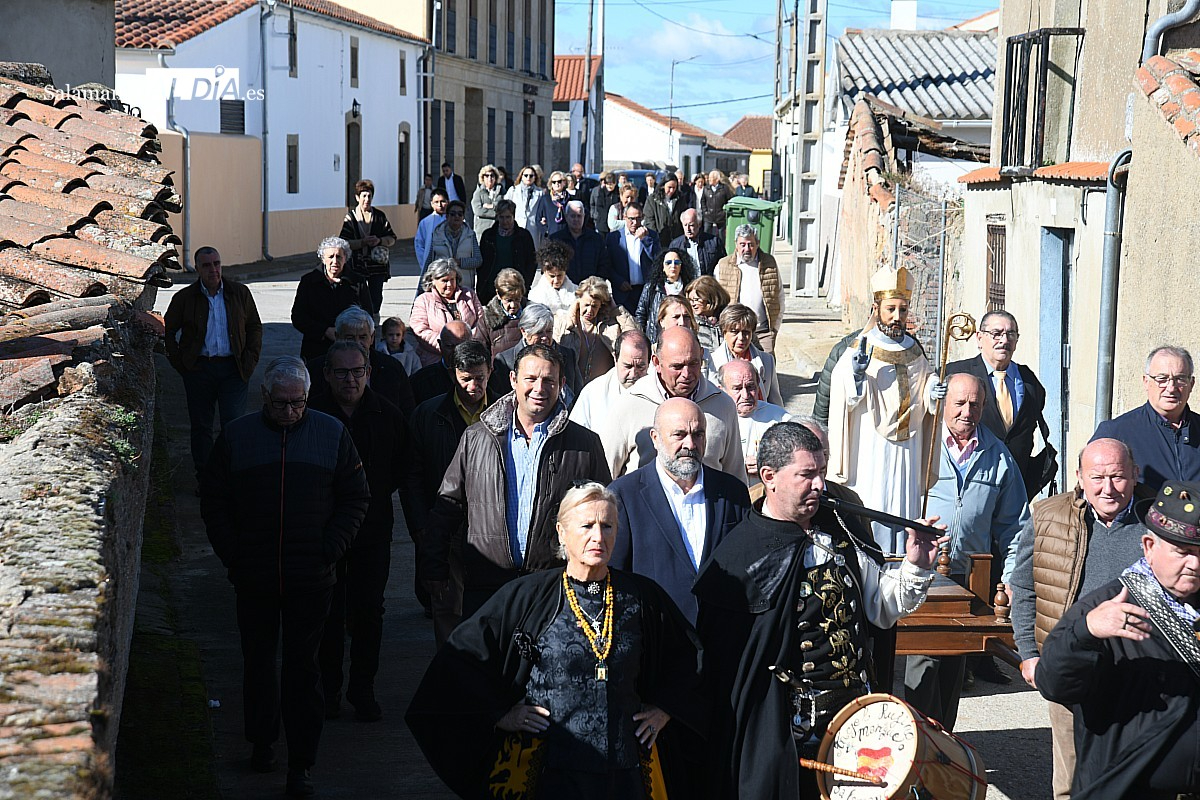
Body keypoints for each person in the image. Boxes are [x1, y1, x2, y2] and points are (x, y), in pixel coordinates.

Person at [406, 482, 704, 799]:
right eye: (587, 525)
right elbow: (461, 660)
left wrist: (665, 709)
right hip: (548, 773)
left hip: (627, 771)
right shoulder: (527, 598)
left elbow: (689, 658)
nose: (598, 537)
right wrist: (500, 713)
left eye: (607, 526)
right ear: (562, 532)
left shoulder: (643, 597)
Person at [694, 422, 944, 800]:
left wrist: (916, 566)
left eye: (822, 474)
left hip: (858, 718)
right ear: (770, 477)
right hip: (789, 734)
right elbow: (731, 672)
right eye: (806, 475)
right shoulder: (740, 556)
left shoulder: (839, 531)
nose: (819, 486)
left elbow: (881, 609)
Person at [200, 356, 370, 798]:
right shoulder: (238, 437)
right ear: (265, 398)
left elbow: (356, 497)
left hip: (311, 579)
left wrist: (330, 548)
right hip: (254, 577)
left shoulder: (331, 434)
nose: (290, 412)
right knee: (257, 664)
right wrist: (234, 556)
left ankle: (301, 764)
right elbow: (214, 500)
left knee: (303, 671)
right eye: (282, 404)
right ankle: (261, 742)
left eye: (298, 404)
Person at [420, 343, 612, 622]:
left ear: (562, 384)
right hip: (487, 585)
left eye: (549, 380)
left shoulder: (584, 443)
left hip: (554, 586)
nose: (539, 388)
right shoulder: (477, 438)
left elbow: (602, 514)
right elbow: (448, 504)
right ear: (513, 380)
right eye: (531, 379)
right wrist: (433, 567)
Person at [1036, 479, 1200, 800]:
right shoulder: (1106, 606)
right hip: (1125, 788)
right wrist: (1085, 633)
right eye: (1182, 552)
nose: (1194, 564)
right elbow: (1053, 684)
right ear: (1149, 547)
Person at [1009, 438, 1152, 800]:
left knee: (1137, 775)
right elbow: (1025, 588)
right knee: (1071, 780)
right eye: (1097, 477)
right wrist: (1029, 654)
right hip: (1071, 661)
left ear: (1134, 475)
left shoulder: (1156, 520)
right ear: (1079, 477)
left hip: (1140, 667)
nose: (1108, 488)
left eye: (1118, 476)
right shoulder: (1047, 517)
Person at [904, 372, 1030, 731]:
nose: (966, 411)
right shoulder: (923, 445)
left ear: (984, 406)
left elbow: (1016, 526)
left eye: (974, 404)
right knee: (923, 661)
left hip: (968, 577)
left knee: (955, 665)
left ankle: (944, 749)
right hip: (924, 573)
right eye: (959, 402)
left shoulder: (998, 456)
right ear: (945, 403)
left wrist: (1008, 580)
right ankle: (916, 743)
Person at [310, 342, 421, 723]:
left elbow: (406, 465)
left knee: (369, 611)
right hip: (324, 529)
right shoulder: (312, 413)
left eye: (357, 372)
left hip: (372, 531)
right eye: (341, 372)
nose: (350, 380)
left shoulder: (386, 415)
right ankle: (329, 689)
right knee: (327, 610)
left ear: (369, 373)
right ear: (326, 375)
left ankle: (362, 688)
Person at [827, 266, 942, 553]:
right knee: (873, 501)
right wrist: (855, 375)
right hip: (871, 446)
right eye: (891, 309)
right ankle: (870, 553)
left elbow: (923, 381)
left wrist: (933, 391)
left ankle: (906, 558)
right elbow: (843, 394)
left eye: (903, 310)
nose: (897, 317)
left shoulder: (913, 348)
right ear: (876, 308)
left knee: (904, 506)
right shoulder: (861, 347)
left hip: (908, 446)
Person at [610, 397, 752, 623]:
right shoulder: (624, 496)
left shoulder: (732, 492)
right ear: (655, 439)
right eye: (679, 435)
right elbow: (615, 577)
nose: (690, 445)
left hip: (722, 637)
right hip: (656, 638)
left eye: (698, 434)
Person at [408, 341, 493, 643]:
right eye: (466, 378)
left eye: (479, 378)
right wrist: (420, 526)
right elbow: (413, 477)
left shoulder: (504, 415)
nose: (473, 386)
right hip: (444, 527)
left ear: (491, 371)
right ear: (452, 374)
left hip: (491, 529)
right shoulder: (428, 416)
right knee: (447, 609)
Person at [164, 246, 263, 480]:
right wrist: (181, 364)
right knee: (201, 428)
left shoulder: (239, 293)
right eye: (207, 265)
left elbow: (254, 327)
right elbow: (167, 332)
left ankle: (231, 476)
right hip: (200, 370)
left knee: (234, 425)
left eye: (217, 264)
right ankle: (206, 477)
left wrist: (249, 361)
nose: (213, 270)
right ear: (197, 268)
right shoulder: (185, 298)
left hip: (233, 369)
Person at [600, 326, 745, 480]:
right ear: (656, 362)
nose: (686, 374)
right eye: (677, 366)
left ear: (702, 356)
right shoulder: (629, 404)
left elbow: (735, 474)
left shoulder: (722, 405)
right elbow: (604, 474)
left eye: (694, 363)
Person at [946, 310, 1051, 500]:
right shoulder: (956, 374)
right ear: (979, 338)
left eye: (1011, 334)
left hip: (1014, 489)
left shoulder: (1029, 381)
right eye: (996, 334)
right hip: (967, 487)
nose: (1004, 340)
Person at [1092, 345, 1200, 491]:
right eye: (1162, 379)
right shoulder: (1117, 432)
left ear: (1191, 384)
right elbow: (1092, 488)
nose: (1171, 387)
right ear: (1146, 382)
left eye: (1180, 379)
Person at [304, 307, 417, 416]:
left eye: (362, 337)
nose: (357, 343)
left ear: (372, 338)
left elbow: (407, 412)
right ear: (337, 337)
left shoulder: (392, 368)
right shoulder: (315, 370)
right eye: (349, 338)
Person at [290, 236, 371, 362]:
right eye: (330, 257)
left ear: (346, 258)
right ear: (323, 259)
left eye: (339, 257)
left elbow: (367, 318)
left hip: (351, 350)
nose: (335, 261)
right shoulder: (309, 282)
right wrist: (324, 331)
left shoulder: (357, 282)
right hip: (316, 349)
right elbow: (298, 317)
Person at [554, 275, 639, 385]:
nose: (589, 310)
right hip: (573, 388)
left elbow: (635, 338)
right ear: (578, 301)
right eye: (586, 305)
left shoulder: (611, 324)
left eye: (594, 306)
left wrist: (615, 309)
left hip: (604, 388)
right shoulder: (565, 323)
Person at [491, 303, 581, 406]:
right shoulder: (505, 360)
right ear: (524, 331)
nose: (545, 338)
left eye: (549, 331)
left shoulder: (568, 355)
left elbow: (578, 394)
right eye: (539, 333)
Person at [719, 359, 792, 486]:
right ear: (722, 390)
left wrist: (770, 463)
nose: (745, 395)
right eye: (737, 388)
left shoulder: (780, 417)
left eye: (750, 387)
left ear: (758, 385)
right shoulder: (713, 419)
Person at [714, 224, 781, 353]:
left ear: (758, 243)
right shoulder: (723, 265)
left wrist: (774, 329)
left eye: (750, 244)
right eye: (742, 244)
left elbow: (779, 297)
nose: (747, 249)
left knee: (766, 369)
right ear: (736, 244)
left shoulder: (769, 263)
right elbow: (716, 300)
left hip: (763, 332)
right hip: (735, 333)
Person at [408, 258, 486, 368]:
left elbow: (482, 323)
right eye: (444, 280)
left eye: (452, 279)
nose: (449, 284)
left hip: (470, 358)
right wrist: (448, 346)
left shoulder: (469, 295)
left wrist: (467, 346)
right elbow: (420, 331)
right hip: (434, 361)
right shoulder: (423, 300)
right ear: (432, 281)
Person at [570, 329, 651, 432]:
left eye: (640, 367)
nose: (633, 374)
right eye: (627, 366)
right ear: (615, 359)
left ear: (649, 363)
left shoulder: (658, 393)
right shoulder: (592, 393)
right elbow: (574, 436)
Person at [340, 178, 397, 315]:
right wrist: (362, 242)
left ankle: (373, 323)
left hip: (377, 266)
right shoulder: (351, 218)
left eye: (369, 196)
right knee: (357, 296)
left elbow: (392, 238)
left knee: (376, 297)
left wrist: (379, 240)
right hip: (356, 265)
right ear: (357, 197)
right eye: (364, 195)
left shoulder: (379, 216)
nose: (367, 199)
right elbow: (344, 242)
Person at [708, 303, 783, 405]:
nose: (741, 338)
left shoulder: (766, 360)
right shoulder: (711, 362)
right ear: (724, 333)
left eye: (746, 332)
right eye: (735, 332)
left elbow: (775, 402)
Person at [604, 201, 660, 313]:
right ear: (624, 217)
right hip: (623, 292)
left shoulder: (651, 236)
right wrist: (618, 281)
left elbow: (657, 261)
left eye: (638, 218)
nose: (635, 222)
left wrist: (646, 240)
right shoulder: (614, 238)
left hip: (645, 291)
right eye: (631, 219)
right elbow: (607, 265)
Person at [479, 198, 538, 303]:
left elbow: (532, 262)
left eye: (508, 217)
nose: (505, 221)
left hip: (515, 287)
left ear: (513, 216)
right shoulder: (488, 235)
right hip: (490, 288)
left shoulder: (523, 236)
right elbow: (482, 262)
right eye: (501, 217)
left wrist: (526, 284)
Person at [637, 248, 696, 345]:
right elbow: (641, 314)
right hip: (656, 339)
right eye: (668, 263)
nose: (673, 266)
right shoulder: (652, 287)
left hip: (684, 338)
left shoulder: (689, 288)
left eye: (677, 262)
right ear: (662, 267)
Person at [408, 321, 474, 407]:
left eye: (461, 346)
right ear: (440, 345)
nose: (456, 351)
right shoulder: (420, 380)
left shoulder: (485, 378)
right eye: (450, 346)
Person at [424, 200, 482, 289]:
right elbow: (429, 261)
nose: (456, 217)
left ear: (463, 217)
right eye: (453, 214)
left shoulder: (470, 235)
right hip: (442, 285)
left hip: (464, 286)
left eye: (460, 214)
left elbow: (478, 260)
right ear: (447, 216)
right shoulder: (437, 234)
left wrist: (460, 262)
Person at [549, 199, 606, 282]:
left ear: (584, 216)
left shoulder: (596, 239)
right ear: (566, 216)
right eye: (573, 216)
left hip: (589, 289)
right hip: (564, 288)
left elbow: (604, 264)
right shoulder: (556, 240)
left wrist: (595, 282)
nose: (576, 219)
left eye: (579, 216)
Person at [482, 267, 527, 354]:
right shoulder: (487, 319)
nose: (513, 305)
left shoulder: (532, 314)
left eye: (517, 299)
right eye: (508, 300)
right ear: (498, 294)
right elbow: (480, 349)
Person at [527, 239, 578, 315]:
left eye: (559, 275)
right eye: (552, 276)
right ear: (544, 272)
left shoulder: (576, 291)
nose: (556, 280)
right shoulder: (536, 295)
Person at [670, 208, 725, 277]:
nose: (688, 229)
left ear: (699, 224)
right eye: (685, 225)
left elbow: (724, 266)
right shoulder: (675, 245)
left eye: (691, 225)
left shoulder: (714, 242)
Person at [506, 164, 550, 247]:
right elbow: (505, 207)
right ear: (521, 176)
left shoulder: (540, 193)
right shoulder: (513, 190)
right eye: (526, 175)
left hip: (533, 228)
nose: (528, 178)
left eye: (531, 176)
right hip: (516, 225)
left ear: (535, 177)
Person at [686, 274, 730, 352]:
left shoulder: (730, 318)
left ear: (711, 298)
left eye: (696, 300)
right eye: (690, 300)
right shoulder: (691, 324)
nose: (693, 304)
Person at [414, 187, 448, 272]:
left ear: (448, 202)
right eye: (436, 202)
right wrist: (425, 263)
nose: (439, 205)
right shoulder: (426, 222)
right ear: (431, 204)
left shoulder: (453, 220)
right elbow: (419, 244)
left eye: (442, 201)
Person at [645, 174, 685, 244]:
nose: (672, 190)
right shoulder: (652, 199)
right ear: (663, 186)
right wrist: (655, 236)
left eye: (674, 187)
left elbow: (683, 216)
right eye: (669, 187)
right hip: (660, 239)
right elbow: (649, 220)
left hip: (677, 239)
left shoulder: (680, 198)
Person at [470, 163, 503, 239]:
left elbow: (503, 207)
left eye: (492, 175)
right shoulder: (478, 192)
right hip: (482, 230)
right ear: (483, 178)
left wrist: (491, 206)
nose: (490, 178)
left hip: (498, 229)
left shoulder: (501, 191)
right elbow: (478, 210)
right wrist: (496, 212)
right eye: (487, 176)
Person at [701, 169, 734, 244]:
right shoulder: (706, 188)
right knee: (706, 233)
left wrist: (724, 212)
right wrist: (705, 211)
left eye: (711, 178)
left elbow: (729, 200)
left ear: (717, 179)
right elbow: (703, 201)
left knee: (721, 235)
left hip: (720, 216)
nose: (709, 179)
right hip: (708, 216)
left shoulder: (724, 188)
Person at [544, 170, 571, 239]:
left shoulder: (570, 198)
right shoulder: (546, 199)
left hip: (567, 236)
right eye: (554, 182)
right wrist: (546, 231)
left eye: (559, 181)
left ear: (564, 182)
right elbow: (538, 218)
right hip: (551, 235)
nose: (557, 184)